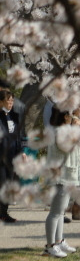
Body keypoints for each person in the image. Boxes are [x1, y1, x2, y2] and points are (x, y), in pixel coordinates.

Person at [43, 108, 80, 258]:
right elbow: (67, 147)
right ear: (65, 116)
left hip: (69, 175)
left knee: (60, 213)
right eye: (71, 115)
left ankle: (59, 241)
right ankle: (49, 246)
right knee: (55, 213)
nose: (74, 117)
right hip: (61, 176)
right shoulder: (58, 131)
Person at [0, 89, 24, 223]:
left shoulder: (13, 116)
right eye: (8, 100)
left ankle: (3, 212)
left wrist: (22, 152)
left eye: (12, 100)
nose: (10, 103)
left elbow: (17, 136)